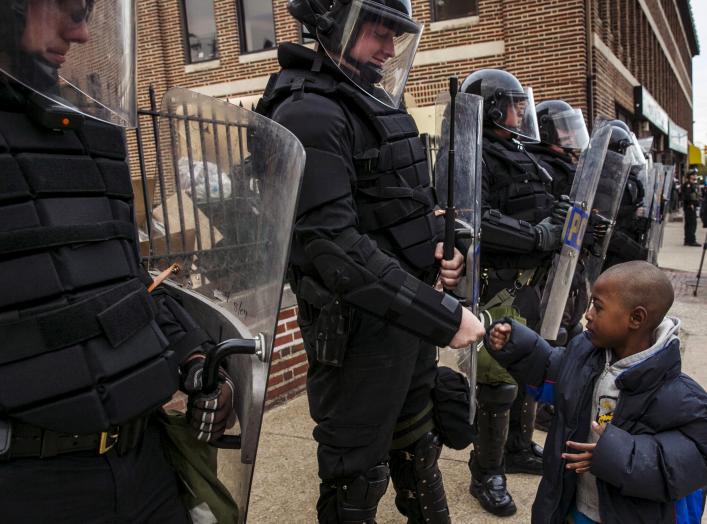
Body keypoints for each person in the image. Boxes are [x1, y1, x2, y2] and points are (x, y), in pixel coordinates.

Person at [0, 1, 237, 522]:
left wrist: (194, 355)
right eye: (65, 5)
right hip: (30, 487)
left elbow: (128, 279)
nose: (83, 31)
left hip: (143, 463)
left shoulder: (89, 135)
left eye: (88, 9)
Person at [256, 1, 485, 522]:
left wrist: (441, 245)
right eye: (376, 33)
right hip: (356, 333)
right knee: (356, 476)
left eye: (395, 35)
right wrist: (443, 316)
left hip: (403, 317)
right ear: (333, 25)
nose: (388, 47)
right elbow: (333, 247)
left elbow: (391, 208)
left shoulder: (367, 101)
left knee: (416, 444)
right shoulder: (308, 112)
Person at [485, 260, 707, 523]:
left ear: (636, 318)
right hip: (570, 506)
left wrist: (615, 455)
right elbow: (554, 372)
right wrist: (519, 346)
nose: (587, 314)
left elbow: (687, 462)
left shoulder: (680, 396)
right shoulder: (584, 353)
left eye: (598, 307)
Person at [460, 69, 567, 516]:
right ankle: (486, 471)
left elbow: (540, 207)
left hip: (531, 285)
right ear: (491, 108)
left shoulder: (523, 153)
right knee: (498, 383)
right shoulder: (472, 155)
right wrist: (538, 237)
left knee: (529, 370)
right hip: (496, 286)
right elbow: (475, 216)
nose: (522, 111)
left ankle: (519, 446)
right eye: (514, 103)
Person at [684, 169, 701, 246]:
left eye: (695, 175)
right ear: (690, 176)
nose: (695, 176)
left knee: (689, 224)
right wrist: (691, 204)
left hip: (691, 206)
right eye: (693, 175)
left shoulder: (692, 184)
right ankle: (691, 240)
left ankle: (687, 240)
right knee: (692, 224)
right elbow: (687, 196)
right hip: (690, 207)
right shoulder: (688, 185)